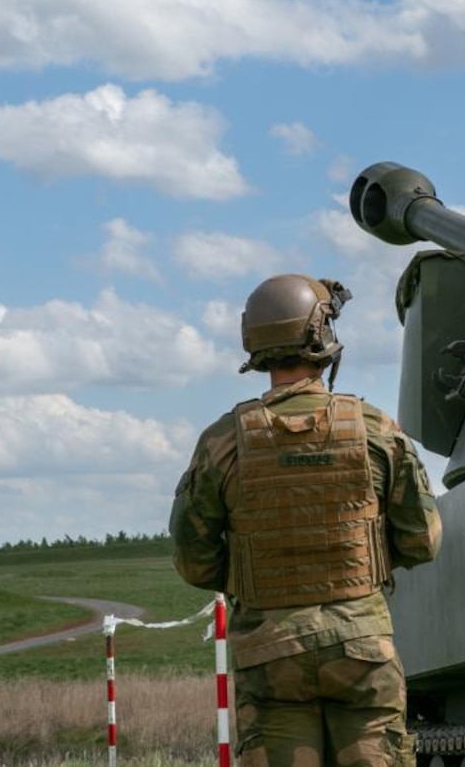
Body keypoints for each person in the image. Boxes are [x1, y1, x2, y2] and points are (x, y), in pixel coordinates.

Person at [169, 274, 442, 767]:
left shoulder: (221, 442)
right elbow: (422, 541)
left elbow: (195, 562)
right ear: (322, 337)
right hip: (361, 647)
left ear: (255, 343)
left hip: (269, 654)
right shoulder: (376, 430)